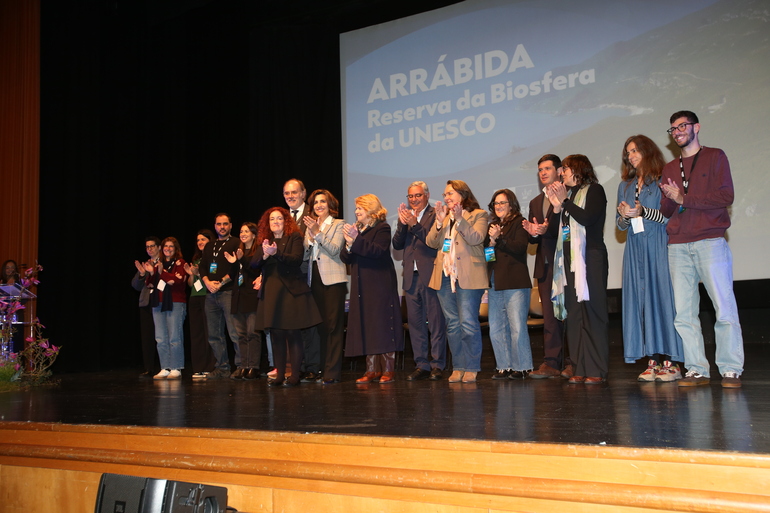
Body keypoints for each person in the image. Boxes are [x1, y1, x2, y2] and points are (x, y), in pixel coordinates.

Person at [660, 110, 744, 388]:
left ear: (696, 127)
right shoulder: (670, 168)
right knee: (684, 313)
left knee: (723, 307)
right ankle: (696, 368)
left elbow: (726, 195)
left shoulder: (715, 156)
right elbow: (667, 209)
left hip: (710, 241)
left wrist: (685, 197)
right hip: (678, 245)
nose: (677, 131)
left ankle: (731, 368)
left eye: (682, 126)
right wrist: (672, 199)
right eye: (673, 129)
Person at [617, 135, 683, 382]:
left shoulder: (662, 181)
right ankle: (652, 360)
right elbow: (620, 226)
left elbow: (671, 218)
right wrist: (625, 215)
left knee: (662, 300)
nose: (631, 156)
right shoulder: (625, 186)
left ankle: (671, 361)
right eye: (628, 153)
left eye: (635, 151)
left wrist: (644, 211)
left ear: (647, 151)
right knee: (640, 301)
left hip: (658, 244)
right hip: (635, 249)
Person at [548, 155, 609, 384]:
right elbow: (555, 231)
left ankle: (596, 369)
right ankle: (579, 366)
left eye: (565, 168)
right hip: (569, 262)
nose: (561, 173)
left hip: (590, 258)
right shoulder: (568, 196)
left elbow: (588, 218)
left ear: (578, 169)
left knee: (592, 313)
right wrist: (557, 207)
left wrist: (565, 202)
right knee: (574, 315)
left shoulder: (595, 190)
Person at [426, 180, 489, 383]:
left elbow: (476, 238)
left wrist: (461, 219)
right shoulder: (445, 218)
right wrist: (438, 222)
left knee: (468, 323)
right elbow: (431, 242)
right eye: (444, 194)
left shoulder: (478, 214)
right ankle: (458, 366)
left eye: (450, 193)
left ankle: (471, 367)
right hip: (445, 276)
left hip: (468, 276)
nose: (446, 197)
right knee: (452, 325)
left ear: (463, 194)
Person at [252, 207, 321, 387]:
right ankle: (280, 375)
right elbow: (253, 263)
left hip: (290, 291)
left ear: (286, 221)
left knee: (292, 333)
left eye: (279, 219)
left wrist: (277, 254)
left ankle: (295, 375)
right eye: (272, 219)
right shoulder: (265, 240)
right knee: (276, 334)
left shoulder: (294, 237)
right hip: (271, 291)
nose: (275, 222)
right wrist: (265, 254)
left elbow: (296, 259)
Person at [341, 194, 404, 384]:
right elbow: (346, 258)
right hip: (362, 285)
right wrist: (350, 243)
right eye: (356, 209)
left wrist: (356, 240)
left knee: (382, 325)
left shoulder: (382, 228)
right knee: (366, 325)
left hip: (379, 284)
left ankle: (388, 369)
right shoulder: (358, 229)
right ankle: (371, 370)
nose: (356, 212)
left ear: (370, 210)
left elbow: (377, 251)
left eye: (360, 208)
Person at [392, 181, 447, 381]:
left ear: (426, 195)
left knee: (436, 322)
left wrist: (413, 225)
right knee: (415, 324)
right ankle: (421, 364)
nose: (414, 200)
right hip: (410, 277)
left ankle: (437, 364)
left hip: (430, 274)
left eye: (418, 195)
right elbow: (397, 245)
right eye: (411, 196)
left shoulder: (436, 214)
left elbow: (432, 241)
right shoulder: (406, 216)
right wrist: (401, 224)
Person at [524, 155, 572, 379]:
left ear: (559, 170)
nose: (543, 173)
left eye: (547, 168)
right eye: (540, 170)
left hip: (568, 263)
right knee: (550, 317)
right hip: (545, 265)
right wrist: (533, 233)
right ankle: (551, 362)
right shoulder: (535, 202)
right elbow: (534, 240)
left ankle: (574, 361)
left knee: (570, 314)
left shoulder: (569, 194)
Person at [485, 189, 532, 380]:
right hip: (495, 281)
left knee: (517, 326)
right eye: (496, 204)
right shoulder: (493, 225)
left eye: (502, 203)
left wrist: (499, 239)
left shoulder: (520, 223)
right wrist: (490, 243)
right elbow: (488, 253)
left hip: (515, 281)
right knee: (496, 327)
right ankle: (504, 366)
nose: (498, 207)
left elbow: (520, 247)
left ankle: (522, 367)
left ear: (511, 204)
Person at [303, 189, 348, 384]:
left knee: (333, 326)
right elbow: (306, 255)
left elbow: (335, 249)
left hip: (333, 281)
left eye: (323, 202)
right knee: (321, 327)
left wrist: (317, 233)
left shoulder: (339, 224)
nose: (318, 205)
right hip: (315, 280)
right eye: (315, 203)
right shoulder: (310, 225)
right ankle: (322, 368)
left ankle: (333, 372)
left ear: (330, 205)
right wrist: (309, 239)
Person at [283, 178, 321, 381]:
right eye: (287, 193)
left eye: (294, 192)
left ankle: (313, 366)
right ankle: (298, 366)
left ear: (304, 194)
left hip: (308, 273)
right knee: (293, 323)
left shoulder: (313, 214)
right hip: (287, 278)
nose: (290, 196)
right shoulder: (281, 217)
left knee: (310, 322)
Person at [199, 213, 241, 379]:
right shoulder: (210, 245)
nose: (222, 227)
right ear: (215, 226)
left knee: (234, 332)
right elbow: (203, 267)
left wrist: (221, 283)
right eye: (218, 224)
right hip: (210, 294)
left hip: (228, 292)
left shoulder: (237, 242)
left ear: (230, 225)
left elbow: (237, 267)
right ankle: (222, 368)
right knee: (214, 334)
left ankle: (240, 367)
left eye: (225, 224)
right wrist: (207, 281)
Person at [144, 237, 187, 380]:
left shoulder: (181, 263)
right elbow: (150, 284)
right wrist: (150, 273)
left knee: (175, 336)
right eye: (165, 246)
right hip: (159, 302)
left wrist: (161, 272)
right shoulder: (158, 263)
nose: (168, 249)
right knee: (161, 337)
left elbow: (176, 280)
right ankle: (165, 367)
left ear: (176, 249)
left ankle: (176, 367)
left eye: (171, 246)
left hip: (175, 302)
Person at [225, 222, 263, 380]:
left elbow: (255, 270)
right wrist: (234, 263)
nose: (243, 233)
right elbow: (234, 275)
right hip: (238, 297)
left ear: (254, 234)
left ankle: (253, 367)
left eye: (247, 231)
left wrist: (242, 260)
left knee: (252, 333)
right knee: (241, 334)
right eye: (241, 231)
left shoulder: (258, 251)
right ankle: (243, 365)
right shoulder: (237, 251)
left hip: (252, 296)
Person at [184, 229, 217, 380]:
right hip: (195, 297)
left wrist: (199, 274)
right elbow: (191, 284)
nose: (200, 242)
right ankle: (198, 367)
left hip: (208, 296)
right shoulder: (196, 259)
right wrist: (192, 274)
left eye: (203, 239)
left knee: (209, 332)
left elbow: (213, 276)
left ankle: (211, 367)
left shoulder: (213, 257)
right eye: (198, 240)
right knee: (196, 333)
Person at [132, 238, 161, 379]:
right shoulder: (146, 264)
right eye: (147, 247)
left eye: (152, 246)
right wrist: (142, 274)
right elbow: (136, 286)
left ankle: (164, 367)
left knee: (162, 336)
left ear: (159, 247)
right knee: (147, 337)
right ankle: (148, 368)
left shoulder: (164, 262)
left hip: (160, 303)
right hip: (146, 303)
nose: (149, 249)